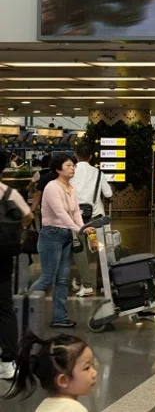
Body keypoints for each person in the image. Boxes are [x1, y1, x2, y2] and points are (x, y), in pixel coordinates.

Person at [29, 154, 93, 329]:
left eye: (73, 165)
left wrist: (82, 226)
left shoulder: (71, 187)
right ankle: (22, 308)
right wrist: (77, 228)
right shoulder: (52, 187)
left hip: (65, 235)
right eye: (68, 165)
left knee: (63, 279)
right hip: (51, 235)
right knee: (48, 278)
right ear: (58, 169)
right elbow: (60, 213)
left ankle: (59, 317)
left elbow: (75, 212)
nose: (73, 168)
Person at [0, 150, 33, 380]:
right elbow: (29, 215)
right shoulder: (8, 192)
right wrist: (15, 230)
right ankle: (7, 362)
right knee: (4, 308)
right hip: (2, 256)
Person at [2, 332, 97, 410]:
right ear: (63, 380)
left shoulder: (44, 406)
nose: (94, 373)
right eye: (87, 368)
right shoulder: (74, 409)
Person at [69, 143, 113, 298]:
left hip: (77, 219)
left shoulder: (70, 172)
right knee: (99, 250)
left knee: (80, 251)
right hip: (96, 219)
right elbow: (108, 194)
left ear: (75, 155)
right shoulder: (98, 173)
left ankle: (86, 285)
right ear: (91, 157)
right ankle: (101, 284)